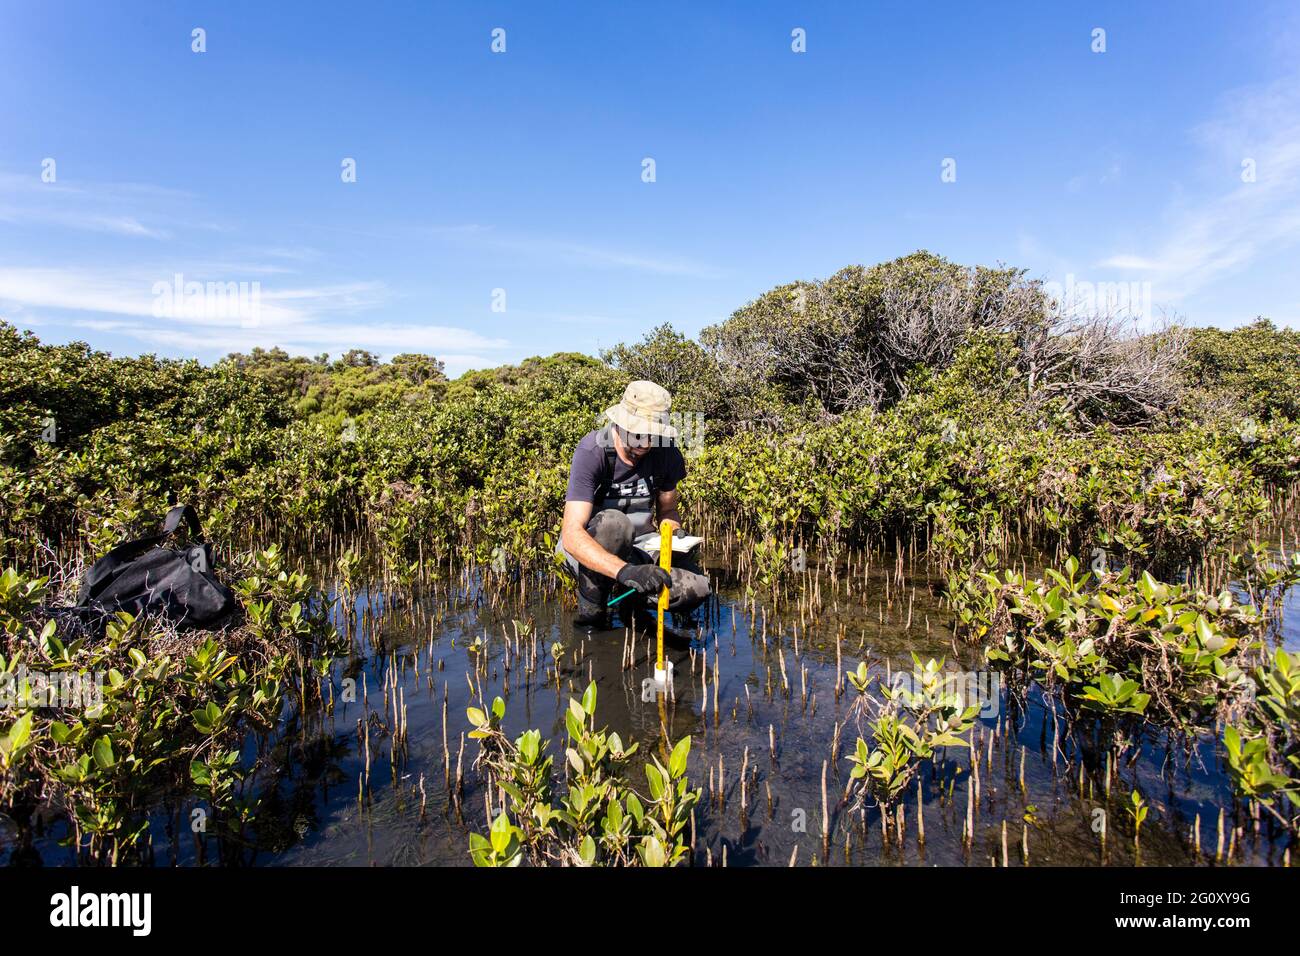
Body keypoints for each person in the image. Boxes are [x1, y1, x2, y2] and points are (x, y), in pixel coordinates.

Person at [559, 380, 711, 629]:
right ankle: (592, 613)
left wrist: (672, 534)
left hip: (641, 546)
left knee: (697, 588)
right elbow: (572, 535)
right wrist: (626, 572)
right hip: (591, 547)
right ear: (619, 424)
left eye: (651, 435)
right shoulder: (593, 450)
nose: (644, 444)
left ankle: (632, 604)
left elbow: (668, 511)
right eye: (637, 434)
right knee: (614, 525)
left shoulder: (667, 453)